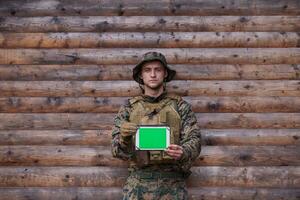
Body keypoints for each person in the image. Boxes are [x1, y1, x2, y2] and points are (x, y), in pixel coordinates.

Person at [111, 51, 201, 200]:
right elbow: (116, 150)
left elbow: (195, 140)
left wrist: (183, 152)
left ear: (165, 73)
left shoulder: (180, 106)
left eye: (157, 70)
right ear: (141, 75)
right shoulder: (129, 107)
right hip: (138, 187)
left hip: (173, 187)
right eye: (147, 70)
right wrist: (123, 138)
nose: (153, 74)